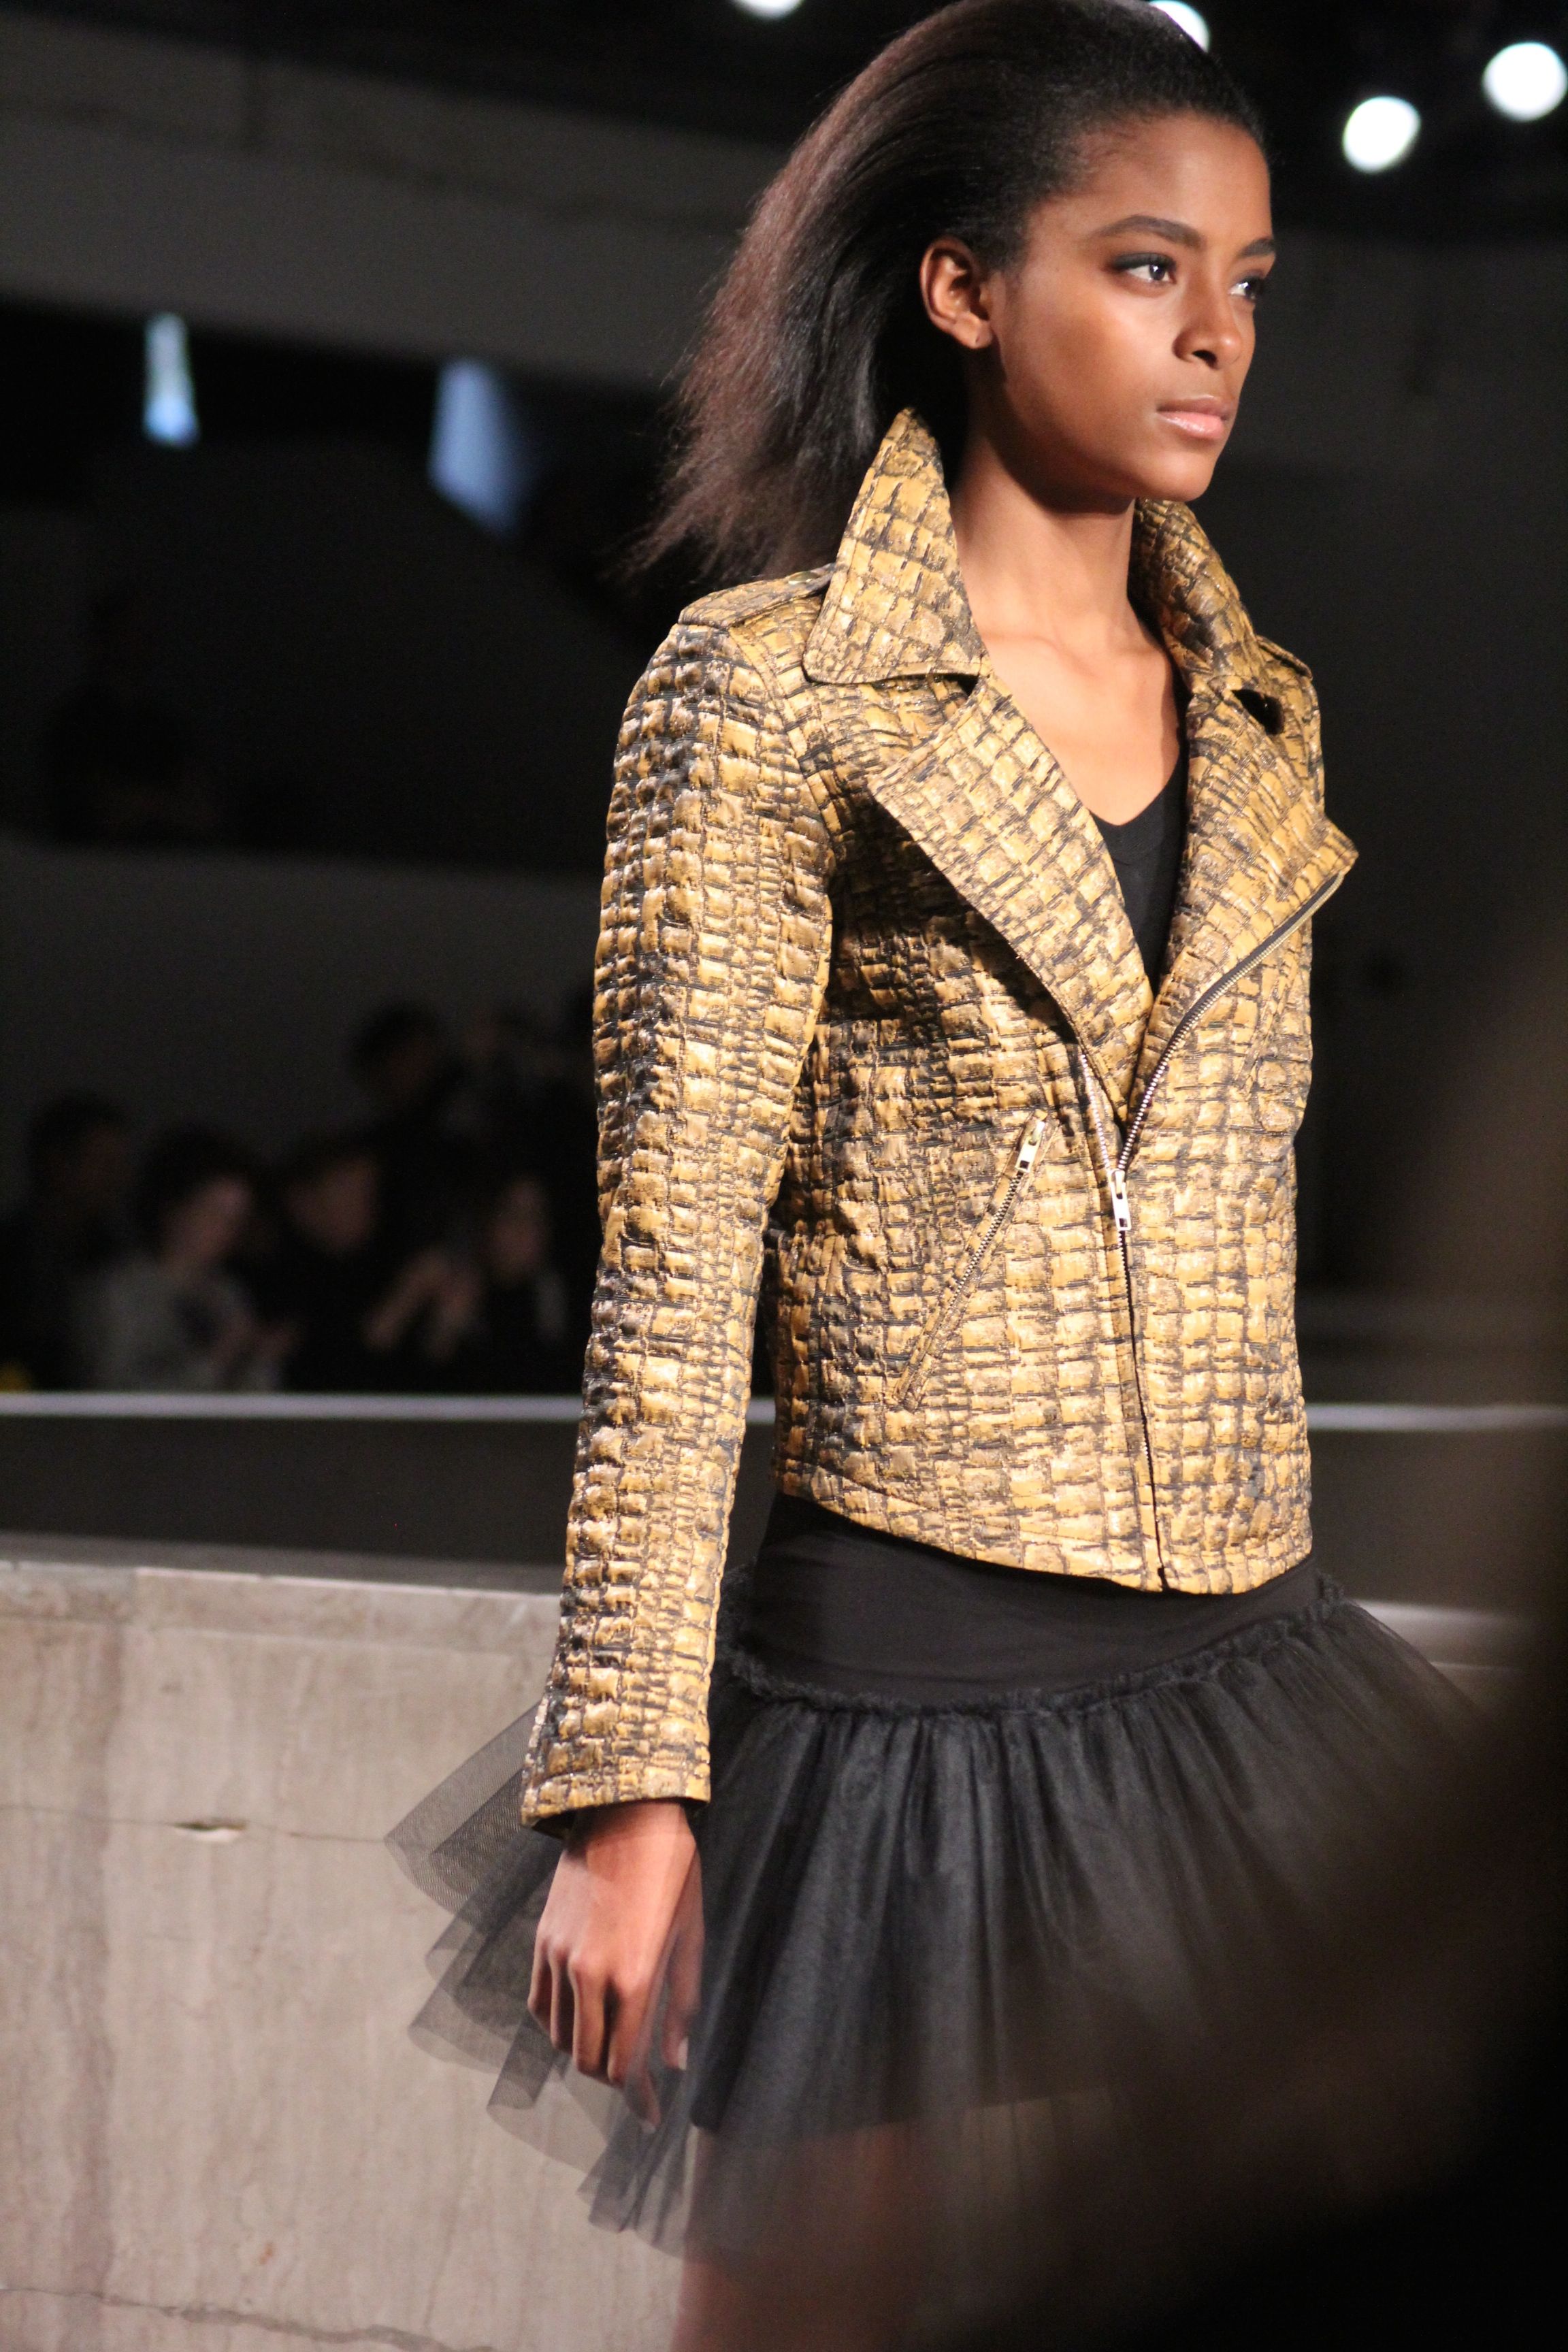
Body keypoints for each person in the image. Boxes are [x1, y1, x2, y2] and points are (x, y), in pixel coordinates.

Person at [390, 7, 1469, 2343]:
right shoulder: (760, 690)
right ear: (967, 288)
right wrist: (628, 1782)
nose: (1216, 337)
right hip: (908, 1681)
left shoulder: (1263, 712)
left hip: (1252, 1661)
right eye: (1148, 267)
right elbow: (673, 1268)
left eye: (1250, 283)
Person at [79, 1127, 286, 1391]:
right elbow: (114, 1390)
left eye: (236, 1220)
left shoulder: (227, 1293)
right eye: (213, 1213)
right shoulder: (116, 1292)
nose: (225, 1231)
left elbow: (254, 1394)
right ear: (174, 1209)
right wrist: (218, 1358)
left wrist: (260, 1358)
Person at [44, 586, 217, 847]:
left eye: (145, 633)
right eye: (131, 631)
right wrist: (160, 805)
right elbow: (91, 812)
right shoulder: (75, 723)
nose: (143, 641)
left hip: (162, 864)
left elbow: (201, 813)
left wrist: (146, 805)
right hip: (93, 865)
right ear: (103, 639)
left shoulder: (165, 725)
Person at [0, 1094, 131, 1388]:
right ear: (58, 1163)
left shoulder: (117, 1258)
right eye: (103, 1163)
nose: (117, 1178)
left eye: (119, 1165)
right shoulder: (10, 1252)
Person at [265, 1132, 392, 1392]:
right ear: (302, 1201)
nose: (363, 1207)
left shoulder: (377, 1269)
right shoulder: (273, 1278)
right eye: (348, 1193)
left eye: (368, 1194)